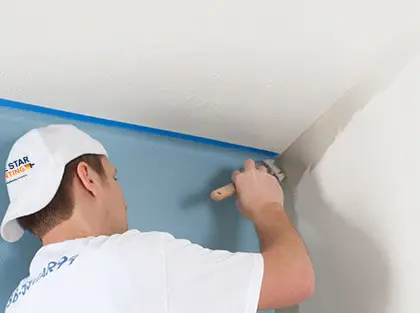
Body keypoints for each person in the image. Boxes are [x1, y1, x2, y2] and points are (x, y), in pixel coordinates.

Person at [1, 124, 314, 312]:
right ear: (88, 178)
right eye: (114, 177)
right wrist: (266, 207)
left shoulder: (18, 304)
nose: (123, 200)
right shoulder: (130, 259)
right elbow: (294, 278)